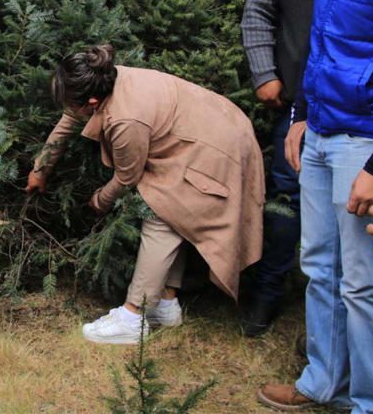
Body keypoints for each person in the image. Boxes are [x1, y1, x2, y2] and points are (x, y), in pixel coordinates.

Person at [26, 45, 264, 345]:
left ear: (92, 101)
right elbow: (71, 118)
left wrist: (99, 201)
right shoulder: (107, 79)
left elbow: (127, 176)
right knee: (174, 215)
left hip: (219, 147)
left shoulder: (126, 120)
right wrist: (41, 168)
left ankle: (133, 317)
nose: (68, 109)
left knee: (162, 213)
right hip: (209, 130)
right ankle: (165, 304)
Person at [257, 0, 373, 412]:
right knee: (319, 267)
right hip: (322, 132)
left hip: (367, 143)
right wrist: (302, 115)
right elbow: (322, 47)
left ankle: (368, 401)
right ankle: (321, 383)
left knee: (363, 282)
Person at [239, 0, 327, 337]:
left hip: (356, 113)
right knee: (284, 201)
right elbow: (256, 13)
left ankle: (334, 321)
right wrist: (264, 74)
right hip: (294, 108)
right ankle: (268, 295)